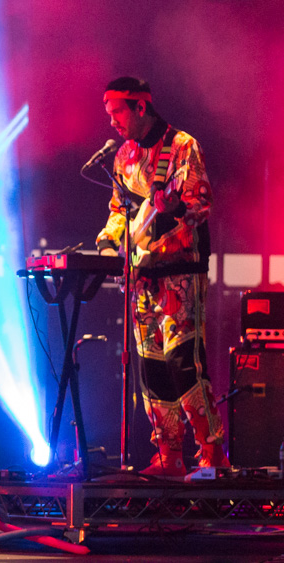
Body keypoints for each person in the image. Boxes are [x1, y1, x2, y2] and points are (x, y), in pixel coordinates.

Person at [95, 77, 227, 477]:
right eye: (109, 113)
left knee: (183, 360)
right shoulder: (123, 156)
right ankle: (169, 456)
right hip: (142, 276)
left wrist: (170, 209)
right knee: (150, 366)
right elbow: (119, 210)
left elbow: (200, 202)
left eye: (117, 111)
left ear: (140, 107)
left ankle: (211, 454)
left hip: (180, 272)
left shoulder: (182, 146)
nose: (113, 121)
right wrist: (107, 243)